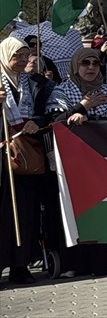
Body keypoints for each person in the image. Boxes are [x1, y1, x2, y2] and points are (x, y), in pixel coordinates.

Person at [1, 37, 53, 285]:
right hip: (2, 157)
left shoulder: (33, 83)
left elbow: (47, 112)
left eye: (25, 56)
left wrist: (37, 122)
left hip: (25, 155)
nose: (22, 61)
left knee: (25, 211)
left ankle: (20, 264)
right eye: (16, 56)